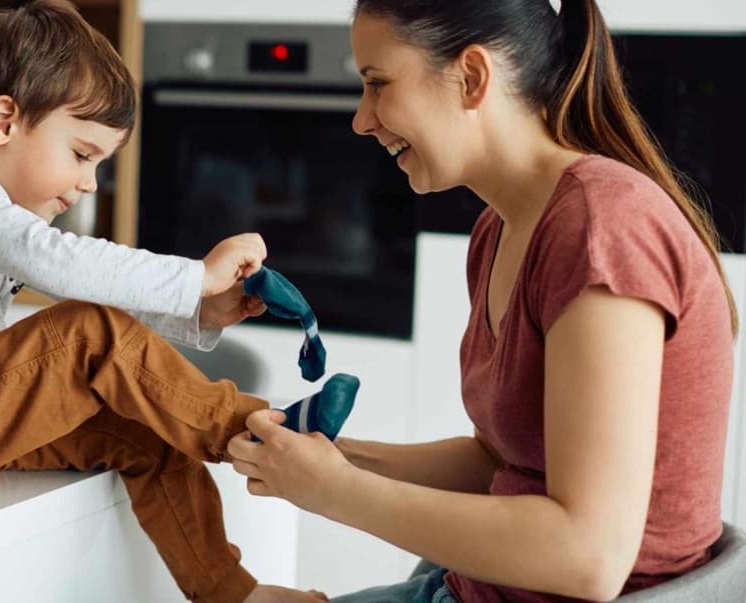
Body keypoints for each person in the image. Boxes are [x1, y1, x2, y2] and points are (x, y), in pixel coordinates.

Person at [0, 2, 355, 601]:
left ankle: (232, 592)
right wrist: (196, 277)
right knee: (86, 330)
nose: (88, 183)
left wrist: (198, 308)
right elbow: (64, 268)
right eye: (82, 154)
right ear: (5, 121)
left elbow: (80, 283)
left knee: (147, 432)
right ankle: (258, 429)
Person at [228, 1, 736, 601]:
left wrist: (335, 490)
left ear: (471, 76)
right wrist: (326, 458)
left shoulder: (600, 228)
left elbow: (590, 558)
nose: (362, 121)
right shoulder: (501, 229)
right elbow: (501, 465)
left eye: (378, 84)